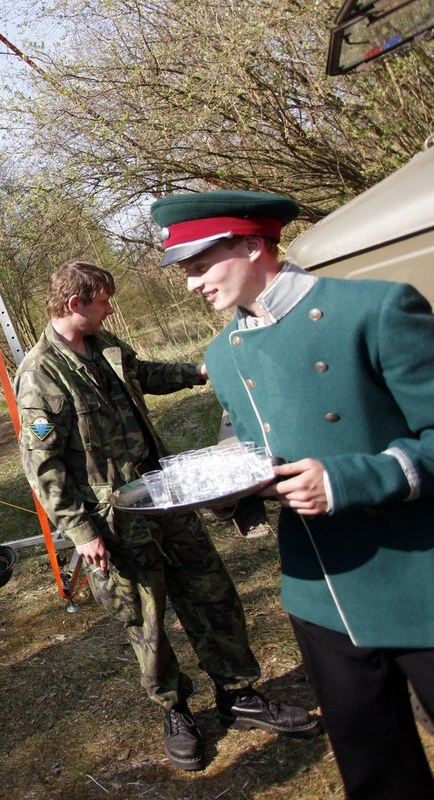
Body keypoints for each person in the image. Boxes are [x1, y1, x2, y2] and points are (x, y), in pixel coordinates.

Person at [154, 190, 434, 797]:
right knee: (378, 774)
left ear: (254, 244)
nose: (191, 283)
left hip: (418, 576)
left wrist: (350, 480)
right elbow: (255, 454)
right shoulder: (222, 358)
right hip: (320, 594)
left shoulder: (376, 308)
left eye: (201, 264)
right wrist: (230, 491)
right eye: (185, 270)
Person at [13, 262, 319, 771]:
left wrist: (200, 372)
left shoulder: (104, 344)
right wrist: (82, 531)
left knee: (210, 590)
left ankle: (239, 694)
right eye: (103, 300)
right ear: (75, 305)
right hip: (113, 521)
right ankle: (176, 711)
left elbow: (145, 375)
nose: (111, 307)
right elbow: (41, 467)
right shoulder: (41, 374)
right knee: (145, 620)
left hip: (163, 497)